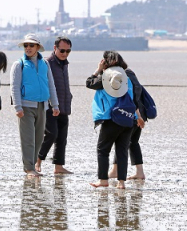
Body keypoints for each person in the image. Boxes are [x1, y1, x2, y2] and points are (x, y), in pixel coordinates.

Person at [86, 51, 141, 189]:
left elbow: (89, 82)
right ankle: (121, 182)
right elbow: (135, 98)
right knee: (121, 151)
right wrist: (138, 116)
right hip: (128, 119)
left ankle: (103, 180)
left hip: (111, 119)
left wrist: (98, 70)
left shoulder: (106, 78)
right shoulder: (127, 77)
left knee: (103, 150)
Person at [9, 34, 60, 177]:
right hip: (25, 107)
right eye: (26, 45)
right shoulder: (19, 64)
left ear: (37, 47)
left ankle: (32, 165)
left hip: (43, 106)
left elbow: (51, 84)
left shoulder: (45, 63)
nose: (28, 48)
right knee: (28, 139)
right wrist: (17, 107)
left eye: (31, 45)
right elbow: (14, 87)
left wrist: (54, 105)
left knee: (39, 138)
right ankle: (29, 168)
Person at [35, 36, 74, 174]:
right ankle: (37, 161)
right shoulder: (46, 62)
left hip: (64, 105)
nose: (65, 54)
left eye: (68, 51)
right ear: (55, 48)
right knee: (51, 134)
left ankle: (58, 167)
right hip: (50, 106)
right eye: (62, 50)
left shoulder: (65, 63)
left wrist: (69, 97)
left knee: (62, 138)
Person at [108, 56, 147, 180]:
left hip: (131, 113)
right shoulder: (130, 73)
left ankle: (116, 170)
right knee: (133, 142)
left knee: (122, 142)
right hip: (140, 112)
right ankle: (139, 172)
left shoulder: (120, 76)